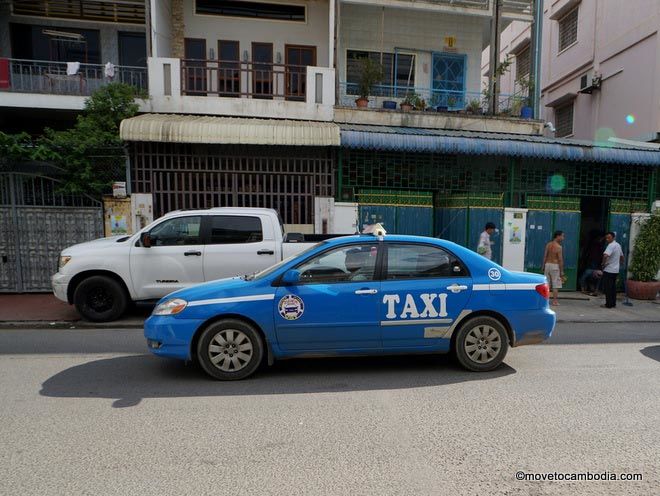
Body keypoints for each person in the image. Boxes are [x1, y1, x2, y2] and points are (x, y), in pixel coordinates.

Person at [601, 231, 624, 309]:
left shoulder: (611, 245)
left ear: (613, 238)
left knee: (608, 287)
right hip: (615, 270)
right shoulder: (618, 245)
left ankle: (608, 304)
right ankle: (613, 303)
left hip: (609, 270)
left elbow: (605, 255)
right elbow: (622, 256)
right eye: (606, 238)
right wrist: (620, 264)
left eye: (609, 238)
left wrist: (603, 264)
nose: (607, 239)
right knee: (613, 287)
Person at [543, 231, 565, 306]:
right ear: (557, 236)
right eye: (562, 236)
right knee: (556, 284)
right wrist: (562, 271)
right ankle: (555, 301)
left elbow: (545, 256)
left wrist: (543, 266)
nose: (563, 238)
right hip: (555, 266)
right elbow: (560, 260)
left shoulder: (548, 244)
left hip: (547, 265)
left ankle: (545, 301)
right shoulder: (559, 247)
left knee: (547, 284)